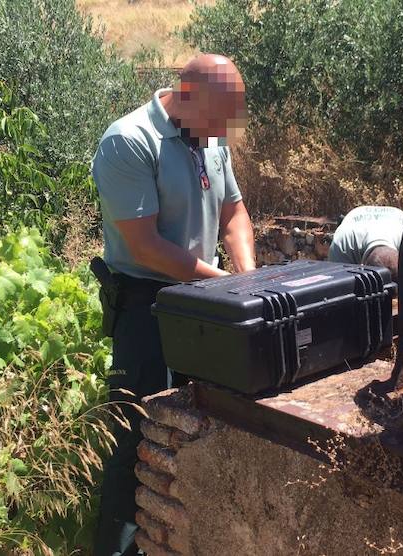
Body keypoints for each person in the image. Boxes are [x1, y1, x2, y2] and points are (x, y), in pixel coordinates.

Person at [90, 53, 255, 556]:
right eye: (219, 116)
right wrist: (225, 286)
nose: (225, 129)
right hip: (145, 309)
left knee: (194, 431)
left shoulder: (209, 137)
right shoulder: (129, 141)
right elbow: (144, 247)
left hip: (203, 307)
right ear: (185, 96)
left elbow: (235, 214)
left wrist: (249, 280)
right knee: (135, 438)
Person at [328, 205, 403, 280]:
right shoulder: (341, 245)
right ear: (362, 267)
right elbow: (337, 282)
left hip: (398, 216)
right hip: (356, 219)